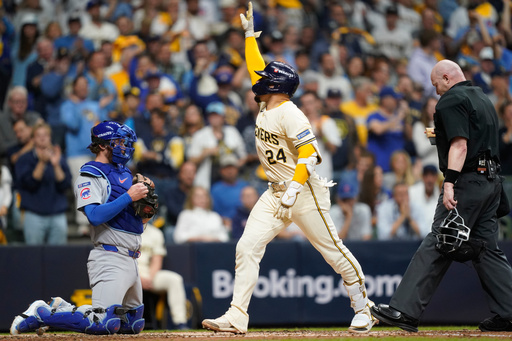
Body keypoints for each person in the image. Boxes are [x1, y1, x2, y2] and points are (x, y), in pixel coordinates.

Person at [201, 2, 377, 334]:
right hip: (275, 191)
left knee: (332, 251)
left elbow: (309, 154)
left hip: (304, 191)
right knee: (247, 246)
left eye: (268, 78)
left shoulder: (290, 112)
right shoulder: (269, 103)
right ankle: (238, 314)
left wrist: (295, 188)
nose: (261, 79)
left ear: (277, 86)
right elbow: (255, 68)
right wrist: (250, 37)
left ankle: (363, 306)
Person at [371, 60, 512, 332]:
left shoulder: (449, 101)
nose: (436, 92)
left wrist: (449, 182)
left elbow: (460, 144)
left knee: (441, 238)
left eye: (436, 85)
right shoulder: (482, 97)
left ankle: (404, 310)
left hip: (467, 182)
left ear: (446, 78)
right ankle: (509, 311)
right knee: (485, 249)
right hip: (492, 183)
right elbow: (477, 139)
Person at [10, 121, 150, 335]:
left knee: (132, 324)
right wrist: (130, 196)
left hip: (132, 258)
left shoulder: (125, 173)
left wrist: (146, 213)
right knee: (101, 322)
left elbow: (131, 223)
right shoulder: (90, 173)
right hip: (110, 256)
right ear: (103, 145)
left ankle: (63, 309)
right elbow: (94, 216)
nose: (124, 146)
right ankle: (41, 313)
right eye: (119, 142)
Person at [15, 122, 72, 245]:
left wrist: (56, 165)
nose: (42, 138)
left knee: (58, 256)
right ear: (33, 139)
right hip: (34, 214)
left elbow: (65, 185)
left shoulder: (59, 158)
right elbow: (29, 184)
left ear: (50, 137)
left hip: (57, 214)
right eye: (38, 135)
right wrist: (42, 163)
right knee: (33, 256)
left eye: (46, 135)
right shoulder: (24, 159)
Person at [139, 223, 189, 330]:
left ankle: (180, 322)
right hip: (128, 273)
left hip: (148, 273)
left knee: (175, 279)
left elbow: (157, 260)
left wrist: (149, 279)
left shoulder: (155, 233)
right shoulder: (124, 230)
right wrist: (137, 278)